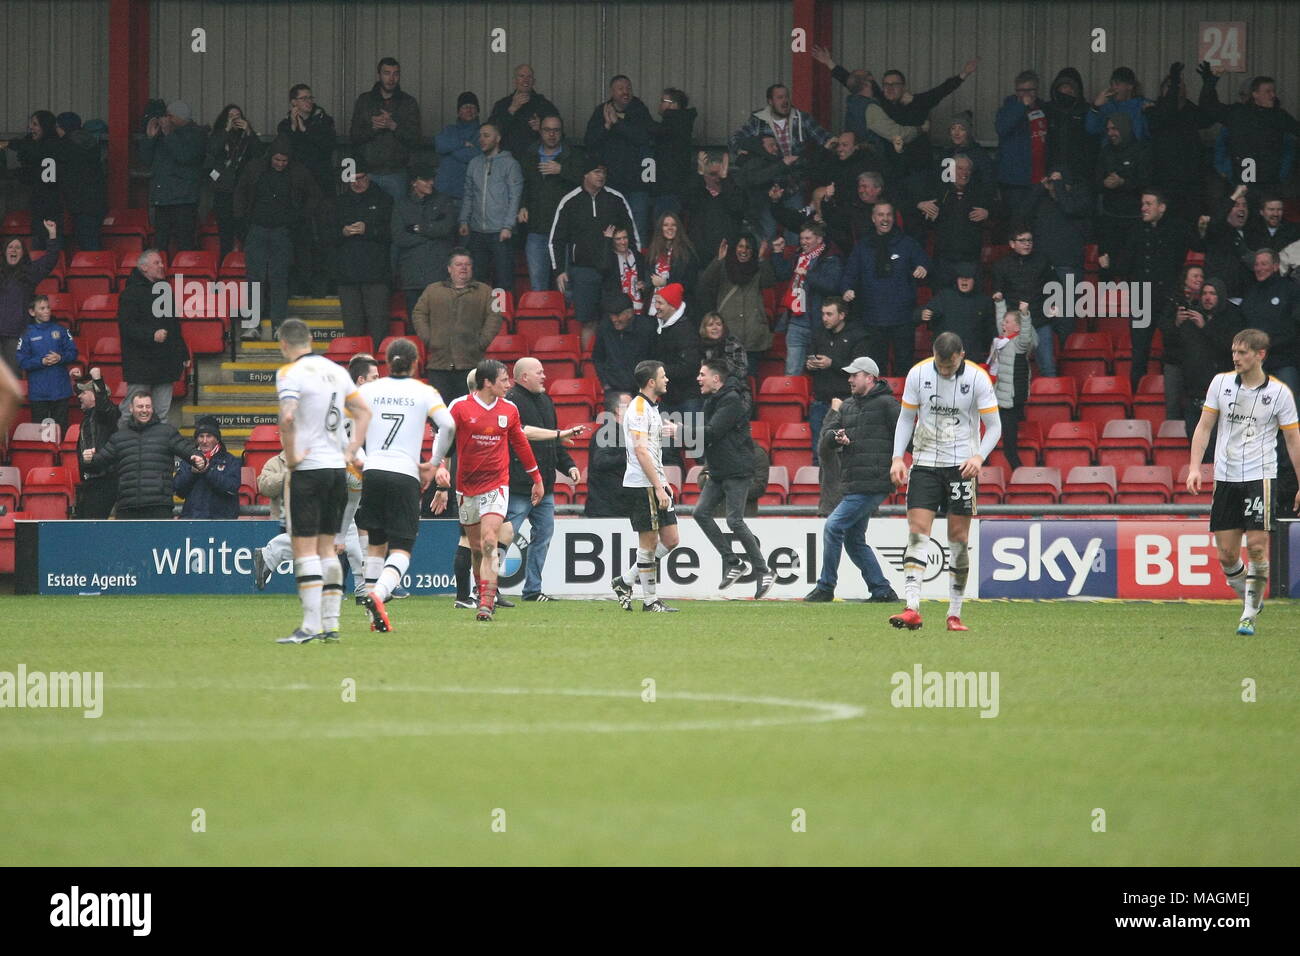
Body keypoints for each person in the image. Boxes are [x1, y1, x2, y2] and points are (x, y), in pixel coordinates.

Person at [1187, 328, 1300, 635]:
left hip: (1260, 475)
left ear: (1260, 355)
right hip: (1225, 476)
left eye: (1242, 353)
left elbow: (1293, 440)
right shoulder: (1220, 383)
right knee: (1226, 554)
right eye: (1234, 352)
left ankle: (1249, 613)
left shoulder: (1279, 393)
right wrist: (1195, 467)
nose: (1235, 358)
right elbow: (1204, 426)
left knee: (1258, 548)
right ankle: (1250, 598)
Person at [888, 332, 1001, 631]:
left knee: (959, 540)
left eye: (949, 366)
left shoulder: (978, 379)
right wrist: (898, 457)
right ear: (934, 356)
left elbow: (994, 427)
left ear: (961, 355)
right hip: (925, 463)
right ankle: (912, 607)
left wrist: (978, 458)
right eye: (941, 365)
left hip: (961, 467)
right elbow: (905, 418)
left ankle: (954, 613)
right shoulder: (919, 373)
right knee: (917, 533)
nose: (945, 371)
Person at [273, 318, 371, 644]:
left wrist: (292, 455)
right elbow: (363, 412)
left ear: (284, 345)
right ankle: (332, 625)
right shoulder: (337, 371)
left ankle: (309, 626)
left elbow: (287, 415)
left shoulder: (289, 374)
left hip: (308, 470)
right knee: (329, 548)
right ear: (311, 339)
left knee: (305, 549)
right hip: (335, 471)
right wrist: (353, 448)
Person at [428, 359, 543, 622]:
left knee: (491, 539)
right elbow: (443, 439)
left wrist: (536, 477)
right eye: (504, 380)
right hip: (466, 485)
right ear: (487, 382)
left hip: (497, 483)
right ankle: (482, 593)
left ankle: (486, 603)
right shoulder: (460, 407)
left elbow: (521, 445)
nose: (508, 384)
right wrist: (438, 469)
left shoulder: (510, 410)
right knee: (477, 547)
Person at [355, 338, 453, 633]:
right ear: (415, 363)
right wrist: (434, 463)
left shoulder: (368, 390)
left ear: (385, 362)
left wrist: (360, 455)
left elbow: (343, 425)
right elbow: (447, 425)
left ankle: (371, 614)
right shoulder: (424, 391)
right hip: (405, 473)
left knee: (375, 543)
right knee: (402, 546)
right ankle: (379, 594)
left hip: (373, 471)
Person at [806, 355, 900, 603]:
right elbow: (826, 435)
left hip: (873, 481)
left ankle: (826, 587)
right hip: (856, 482)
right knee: (854, 540)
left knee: (833, 527)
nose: (849, 379)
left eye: (854, 375)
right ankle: (882, 590)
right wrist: (835, 437)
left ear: (869, 377)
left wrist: (901, 463)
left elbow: (907, 434)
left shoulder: (887, 404)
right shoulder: (847, 406)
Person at [694, 358, 774, 599]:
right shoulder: (713, 400)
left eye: (702, 374)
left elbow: (712, 432)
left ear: (716, 379)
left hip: (737, 470)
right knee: (700, 513)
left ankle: (764, 570)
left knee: (734, 521)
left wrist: (680, 431)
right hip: (719, 470)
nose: (698, 378)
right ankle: (733, 562)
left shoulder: (731, 400)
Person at [504, 357, 583, 602]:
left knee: (544, 534)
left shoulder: (546, 401)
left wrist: (568, 465)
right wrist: (558, 436)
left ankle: (532, 590)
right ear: (523, 377)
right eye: (539, 372)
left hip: (545, 486)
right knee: (505, 537)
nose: (544, 376)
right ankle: (488, 588)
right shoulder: (511, 403)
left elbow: (553, 441)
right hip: (519, 486)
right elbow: (525, 433)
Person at [610, 360, 681, 612]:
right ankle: (650, 601)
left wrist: (662, 482)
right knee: (648, 544)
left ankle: (625, 581)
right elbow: (640, 451)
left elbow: (650, 448)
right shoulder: (638, 409)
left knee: (671, 539)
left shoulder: (651, 408)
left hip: (654, 482)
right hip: (642, 485)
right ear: (651, 382)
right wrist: (658, 486)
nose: (667, 380)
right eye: (663, 376)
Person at [234, 137, 322, 339]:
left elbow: (315, 195)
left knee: (279, 280)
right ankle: (251, 326)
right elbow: (240, 193)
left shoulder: (299, 171)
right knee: (254, 280)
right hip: (256, 229)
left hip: (283, 232)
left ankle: (278, 327)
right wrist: (240, 221)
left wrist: (300, 217)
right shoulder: (254, 168)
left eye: (284, 161)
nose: (281, 164)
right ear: (270, 157)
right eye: (277, 160)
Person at [550, 157, 638, 349]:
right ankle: (587, 366)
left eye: (604, 172)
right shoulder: (570, 201)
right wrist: (559, 271)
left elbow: (632, 234)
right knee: (588, 321)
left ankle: (615, 363)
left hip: (614, 271)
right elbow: (555, 240)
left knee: (616, 319)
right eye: (597, 172)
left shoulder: (615, 198)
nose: (602, 176)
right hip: (583, 272)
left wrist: (638, 266)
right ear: (585, 174)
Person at [840, 202, 930, 376]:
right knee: (875, 366)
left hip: (902, 317)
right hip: (873, 317)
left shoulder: (907, 243)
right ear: (873, 219)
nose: (885, 219)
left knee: (904, 364)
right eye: (881, 215)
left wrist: (923, 267)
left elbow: (925, 262)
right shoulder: (863, 246)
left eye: (889, 215)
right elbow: (850, 273)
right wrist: (847, 289)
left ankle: (904, 401)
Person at [84, 392, 204, 520]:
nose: (144, 410)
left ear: (152, 408)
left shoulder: (167, 432)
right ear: (131, 408)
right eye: (140, 406)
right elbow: (98, 463)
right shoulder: (119, 437)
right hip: (127, 507)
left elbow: (187, 449)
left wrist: (198, 457)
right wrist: (89, 460)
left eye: (148, 406)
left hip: (159, 506)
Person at [412, 248, 502, 403]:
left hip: (472, 365)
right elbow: (418, 313)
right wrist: (429, 339)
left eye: (467, 264)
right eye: (459, 264)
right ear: (449, 268)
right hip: (438, 365)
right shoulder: (432, 290)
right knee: (439, 413)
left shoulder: (487, 292)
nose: (463, 267)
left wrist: (482, 342)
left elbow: (496, 317)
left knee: (470, 412)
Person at [1197, 65, 1300, 190]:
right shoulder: (1238, 113)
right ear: (1255, 94)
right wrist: (1211, 81)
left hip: (1270, 182)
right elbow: (1208, 106)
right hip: (1242, 184)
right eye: (1268, 91)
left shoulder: (1280, 116)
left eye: (1273, 91)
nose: (1273, 95)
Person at [117, 248, 189, 424]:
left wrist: (183, 352)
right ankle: (120, 448)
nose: (162, 266)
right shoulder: (130, 293)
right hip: (140, 363)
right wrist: (151, 335)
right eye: (157, 263)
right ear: (143, 267)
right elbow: (127, 327)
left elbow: (174, 324)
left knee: (161, 413)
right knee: (131, 411)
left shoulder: (165, 291)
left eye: (161, 262)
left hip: (165, 362)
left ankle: (158, 451)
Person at [1166, 277, 1242, 438]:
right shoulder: (1191, 318)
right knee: (1194, 438)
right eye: (1205, 293)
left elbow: (1231, 347)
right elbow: (1173, 349)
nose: (1208, 297)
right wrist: (1177, 325)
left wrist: (1206, 328)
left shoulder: (1233, 317)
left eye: (1213, 293)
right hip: (1193, 392)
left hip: (1222, 392)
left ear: (1220, 296)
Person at [585, 75, 656, 243]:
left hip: (637, 184)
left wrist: (618, 124)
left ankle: (637, 266)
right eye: (621, 88)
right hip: (610, 183)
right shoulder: (601, 111)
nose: (625, 92)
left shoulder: (639, 110)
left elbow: (645, 137)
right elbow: (589, 142)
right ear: (612, 91)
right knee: (609, 228)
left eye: (628, 88)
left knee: (638, 230)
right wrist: (607, 126)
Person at [332, 162, 393, 350]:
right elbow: (325, 234)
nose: (357, 183)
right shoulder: (339, 202)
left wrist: (369, 230)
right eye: (352, 179)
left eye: (360, 178)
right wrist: (342, 232)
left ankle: (379, 367)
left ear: (368, 177)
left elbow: (393, 232)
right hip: (347, 274)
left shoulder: (384, 200)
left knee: (378, 324)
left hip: (376, 274)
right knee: (352, 327)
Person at [519, 112, 582, 291]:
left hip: (565, 232)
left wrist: (562, 170)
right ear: (540, 131)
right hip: (537, 230)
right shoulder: (530, 155)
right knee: (537, 287)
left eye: (556, 130)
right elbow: (522, 184)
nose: (552, 134)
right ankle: (542, 319)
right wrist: (522, 205)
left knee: (566, 288)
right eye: (547, 130)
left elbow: (587, 182)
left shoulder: (573, 155)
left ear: (562, 132)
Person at [697, 233, 775, 376]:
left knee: (748, 383)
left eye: (748, 247)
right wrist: (719, 259)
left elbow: (769, 281)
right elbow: (704, 283)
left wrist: (763, 259)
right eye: (740, 246)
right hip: (728, 338)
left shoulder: (758, 269)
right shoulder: (724, 267)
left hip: (753, 338)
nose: (744, 251)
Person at [458, 122, 523, 289]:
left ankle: (503, 314)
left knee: (504, 279)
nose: (481, 139)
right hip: (477, 230)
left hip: (500, 231)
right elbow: (469, 195)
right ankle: (481, 314)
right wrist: (464, 220)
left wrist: (508, 226)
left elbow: (515, 197)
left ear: (498, 138)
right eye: (480, 136)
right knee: (477, 279)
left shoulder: (510, 164)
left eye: (486, 135)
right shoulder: (474, 163)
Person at [348, 57, 422, 202]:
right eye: (387, 73)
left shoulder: (408, 103)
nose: (391, 78)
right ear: (379, 75)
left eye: (396, 73)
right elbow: (354, 136)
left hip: (397, 172)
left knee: (397, 217)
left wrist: (394, 126)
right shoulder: (364, 101)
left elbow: (415, 138)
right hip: (368, 172)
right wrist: (373, 128)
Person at [773, 222, 843, 375]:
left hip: (819, 324)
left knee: (819, 372)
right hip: (796, 322)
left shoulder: (830, 258)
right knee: (792, 371)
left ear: (819, 239)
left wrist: (807, 274)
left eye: (808, 238)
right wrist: (778, 253)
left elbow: (832, 287)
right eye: (802, 238)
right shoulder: (799, 256)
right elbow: (782, 275)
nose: (803, 242)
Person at [391, 162, 458, 320]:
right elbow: (399, 237)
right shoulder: (402, 205)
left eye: (432, 179)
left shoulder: (443, 200)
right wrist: (432, 234)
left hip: (439, 273)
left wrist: (418, 228)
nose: (431, 183)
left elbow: (446, 228)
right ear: (414, 182)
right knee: (416, 325)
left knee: (441, 325)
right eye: (426, 180)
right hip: (412, 276)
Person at [140, 100, 205, 255]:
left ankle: (184, 276)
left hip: (184, 200)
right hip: (162, 198)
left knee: (185, 243)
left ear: (181, 117)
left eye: (170, 116)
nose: (166, 119)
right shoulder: (162, 135)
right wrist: (150, 138)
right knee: (160, 244)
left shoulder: (196, 134)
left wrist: (169, 135)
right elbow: (145, 160)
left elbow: (185, 157)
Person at [807, 297, 866, 463]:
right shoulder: (818, 334)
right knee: (819, 453)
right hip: (820, 401)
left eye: (829, 314)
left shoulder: (857, 337)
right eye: (823, 314)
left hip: (846, 402)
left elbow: (859, 369)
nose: (824, 318)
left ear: (842, 315)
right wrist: (810, 365)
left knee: (846, 451)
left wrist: (832, 364)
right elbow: (809, 359)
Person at [991, 226, 1057, 376]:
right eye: (1022, 241)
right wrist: (998, 295)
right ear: (1012, 244)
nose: (1027, 244)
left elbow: (1055, 285)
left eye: (1029, 240)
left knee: (1048, 366)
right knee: (1012, 368)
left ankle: (1050, 398)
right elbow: (998, 289)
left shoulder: (1042, 261)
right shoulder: (1002, 265)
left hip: (1041, 320)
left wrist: (1053, 304)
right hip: (1016, 324)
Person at [0, 219, 61, 373]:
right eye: (10, 246)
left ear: (23, 253)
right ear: (4, 251)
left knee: (12, 379)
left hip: (15, 335)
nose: (13, 250)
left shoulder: (29, 272)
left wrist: (52, 234)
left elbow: (50, 259)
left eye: (18, 247)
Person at [204, 104, 263, 259]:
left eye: (238, 116)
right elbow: (213, 150)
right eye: (231, 116)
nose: (235, 119)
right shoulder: (218, 134)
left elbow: (259, 154)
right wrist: (226, 131)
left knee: (244, 230)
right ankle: (225, 267)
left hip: (243, 191)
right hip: (223, 190)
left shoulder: (246, 137)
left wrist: (249, 132)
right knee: (225, 233)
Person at [0, 111, 66, 251]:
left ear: (45, 126)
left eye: (35, 124)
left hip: (49, 203)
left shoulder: (45, 147)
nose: (31, 127)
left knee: (46, 242)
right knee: (43, 241)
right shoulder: (57, 145)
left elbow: (30, 152)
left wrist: (9, 144)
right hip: (45, 203)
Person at [1239, 249, 1300, 396]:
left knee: (1289, 411)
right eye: (1257, 265)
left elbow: (1294, 326)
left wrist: (1268, 344)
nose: (1259, 268)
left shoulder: (1290, 289)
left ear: (1275, 266)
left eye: (1264, 264)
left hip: (1284, 362)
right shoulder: (1250, 294)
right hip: (1256, 366)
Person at [16, 294, 78, 433]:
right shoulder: (26, 334)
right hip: (39, 393)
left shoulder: (61, 330)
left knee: (61, 430)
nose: (46, 311)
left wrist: (60, 358)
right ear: (32, 312)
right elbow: (22, 361)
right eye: (42, 308)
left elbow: (73, 353)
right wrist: (41, 361)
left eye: (48, 307)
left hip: (60, 391)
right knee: (40, 433)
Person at [986, 310, 1036, 472]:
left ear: (1017, 327)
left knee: (1009, 448)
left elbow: (1026, 334)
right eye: (1004, 321)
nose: (1003, 324)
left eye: (1007, 322)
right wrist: (999, 303)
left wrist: (1025, 314)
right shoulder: (1002, 342)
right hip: (1000, 399)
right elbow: (1002, 322)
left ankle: (1020, 475)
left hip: (1010, 401)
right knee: (991, 439)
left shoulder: (1019, 344)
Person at [995, 72, 1048, 222]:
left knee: (1037, 222)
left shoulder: (1043, 109)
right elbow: (1002, 128)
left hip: (1040, 179)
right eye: (1022, 90)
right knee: (1016, 223)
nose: (1026, 94)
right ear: (1016, 91)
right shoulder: (1008, 109)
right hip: (1015, 181)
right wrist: (1021, 107)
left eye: (1030, 90)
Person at [921, 264, 997, 363]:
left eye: (968, 278)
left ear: (975, 280)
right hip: (946, 354)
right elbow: (923, 313)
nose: (964, 280)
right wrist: (923, 314)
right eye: (961, 277)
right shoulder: (944, 296)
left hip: (973, 356)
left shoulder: (984, 301)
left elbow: (990, 330)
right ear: (956, 280)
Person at [54, 112, 107, 251]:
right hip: (96, 201)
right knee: (91, 241)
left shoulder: (65, 146)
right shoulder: (89, 142)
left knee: (88, 244)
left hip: (80, 203)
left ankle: (93, 271)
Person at [71, 366, 118, 518]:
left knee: (92, 525)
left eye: (84, 393)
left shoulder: (106, 415)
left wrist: (98, 380)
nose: (79, 396)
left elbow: (104, 407)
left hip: (104, 481)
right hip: (90, 480)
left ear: (94, 395)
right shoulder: (88, 417)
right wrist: (77, 379)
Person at [592, 290, 654, 402]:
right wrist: (606, 383)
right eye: (611, 315)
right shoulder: (604, 328)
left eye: (617, 315)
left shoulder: (646, 328)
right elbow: (598, 357)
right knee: (614, 419)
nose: (614, 319)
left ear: (630, 313)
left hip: (642, 390)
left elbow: (653, 358)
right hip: (614, 390)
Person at [487, 64, 559, 161]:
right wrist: (511, 110)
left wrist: (542, 129)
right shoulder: (502, 105)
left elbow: (560, 136)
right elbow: (490, 133)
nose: (526, 80)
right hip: (507, 161)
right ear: (515, 80)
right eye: (521, 76)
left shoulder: (545, 105)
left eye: (529, 77)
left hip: (535, 161)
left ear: (534, 81)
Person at [174, 416, 241, 519]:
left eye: (209, 436)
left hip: (221, 522)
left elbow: (231, 488)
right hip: (193, 520)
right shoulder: (188, 460)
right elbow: (179, 490)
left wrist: (208, 470)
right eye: (201, 436)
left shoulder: (230, 460)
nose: (204, 441)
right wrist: (192, 472)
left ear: (217, 439)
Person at [650, 87, 697, 221]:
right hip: (673, 188)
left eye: (663, 101)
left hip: (669, 188)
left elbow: (650, 129)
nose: (660, 104)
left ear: (674, 104)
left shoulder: (673, 125)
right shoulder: (682, 123)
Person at [585, 391, 632, 518]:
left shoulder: (624, 434)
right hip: (606, 511)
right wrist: (630, 456)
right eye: (630, 406)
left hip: (620, 506)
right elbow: (601, 460)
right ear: (618, 410)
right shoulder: (607, 434)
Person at [435, 92, 483, 201]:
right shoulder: (449, 130)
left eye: (472, 107)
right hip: (444, 192)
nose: (469, 110)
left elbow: (475, 156)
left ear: (478, 111)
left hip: (468, 195)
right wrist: (463, 144)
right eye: (465, 107)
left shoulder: (483, 132)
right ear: (458, 111)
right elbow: (440, 145)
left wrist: (450, 150)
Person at [1085, 66, 1151, 142]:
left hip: (1136, 152)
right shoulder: (1107, 106)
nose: (1113, 88)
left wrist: (1150, 112)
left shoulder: (1143, 105)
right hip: (1110, 152)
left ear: (1130, 86)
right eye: (1112, 84)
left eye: (1117, 84)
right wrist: (1095, 107)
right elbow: (1092, 129)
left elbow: (1150, 134)